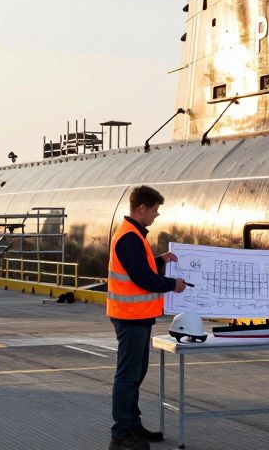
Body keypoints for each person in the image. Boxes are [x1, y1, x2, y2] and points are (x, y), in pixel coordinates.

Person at [107, 185, 187, 450]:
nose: (156, 215)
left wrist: (160, 260)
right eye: (154, 210)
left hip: (137, 317)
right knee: (128, 375)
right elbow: (142, 278)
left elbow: (140, 267)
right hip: (130, 317)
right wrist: (171, 284)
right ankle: (120, 433)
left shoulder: (133, 235)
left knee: (135, 374)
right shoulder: (129, 237)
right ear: (141, 208)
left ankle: (132, 425)